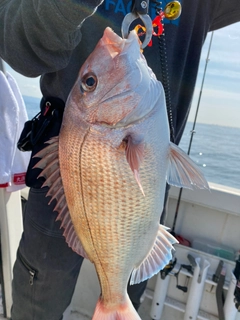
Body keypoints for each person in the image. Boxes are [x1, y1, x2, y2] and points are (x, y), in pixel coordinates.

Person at [0, 1, 239, 319]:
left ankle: (117, 301)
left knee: (128, 286)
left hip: (144, 183)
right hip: (63, 178)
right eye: (90, 83)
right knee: (37, 301)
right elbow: (18, 44)